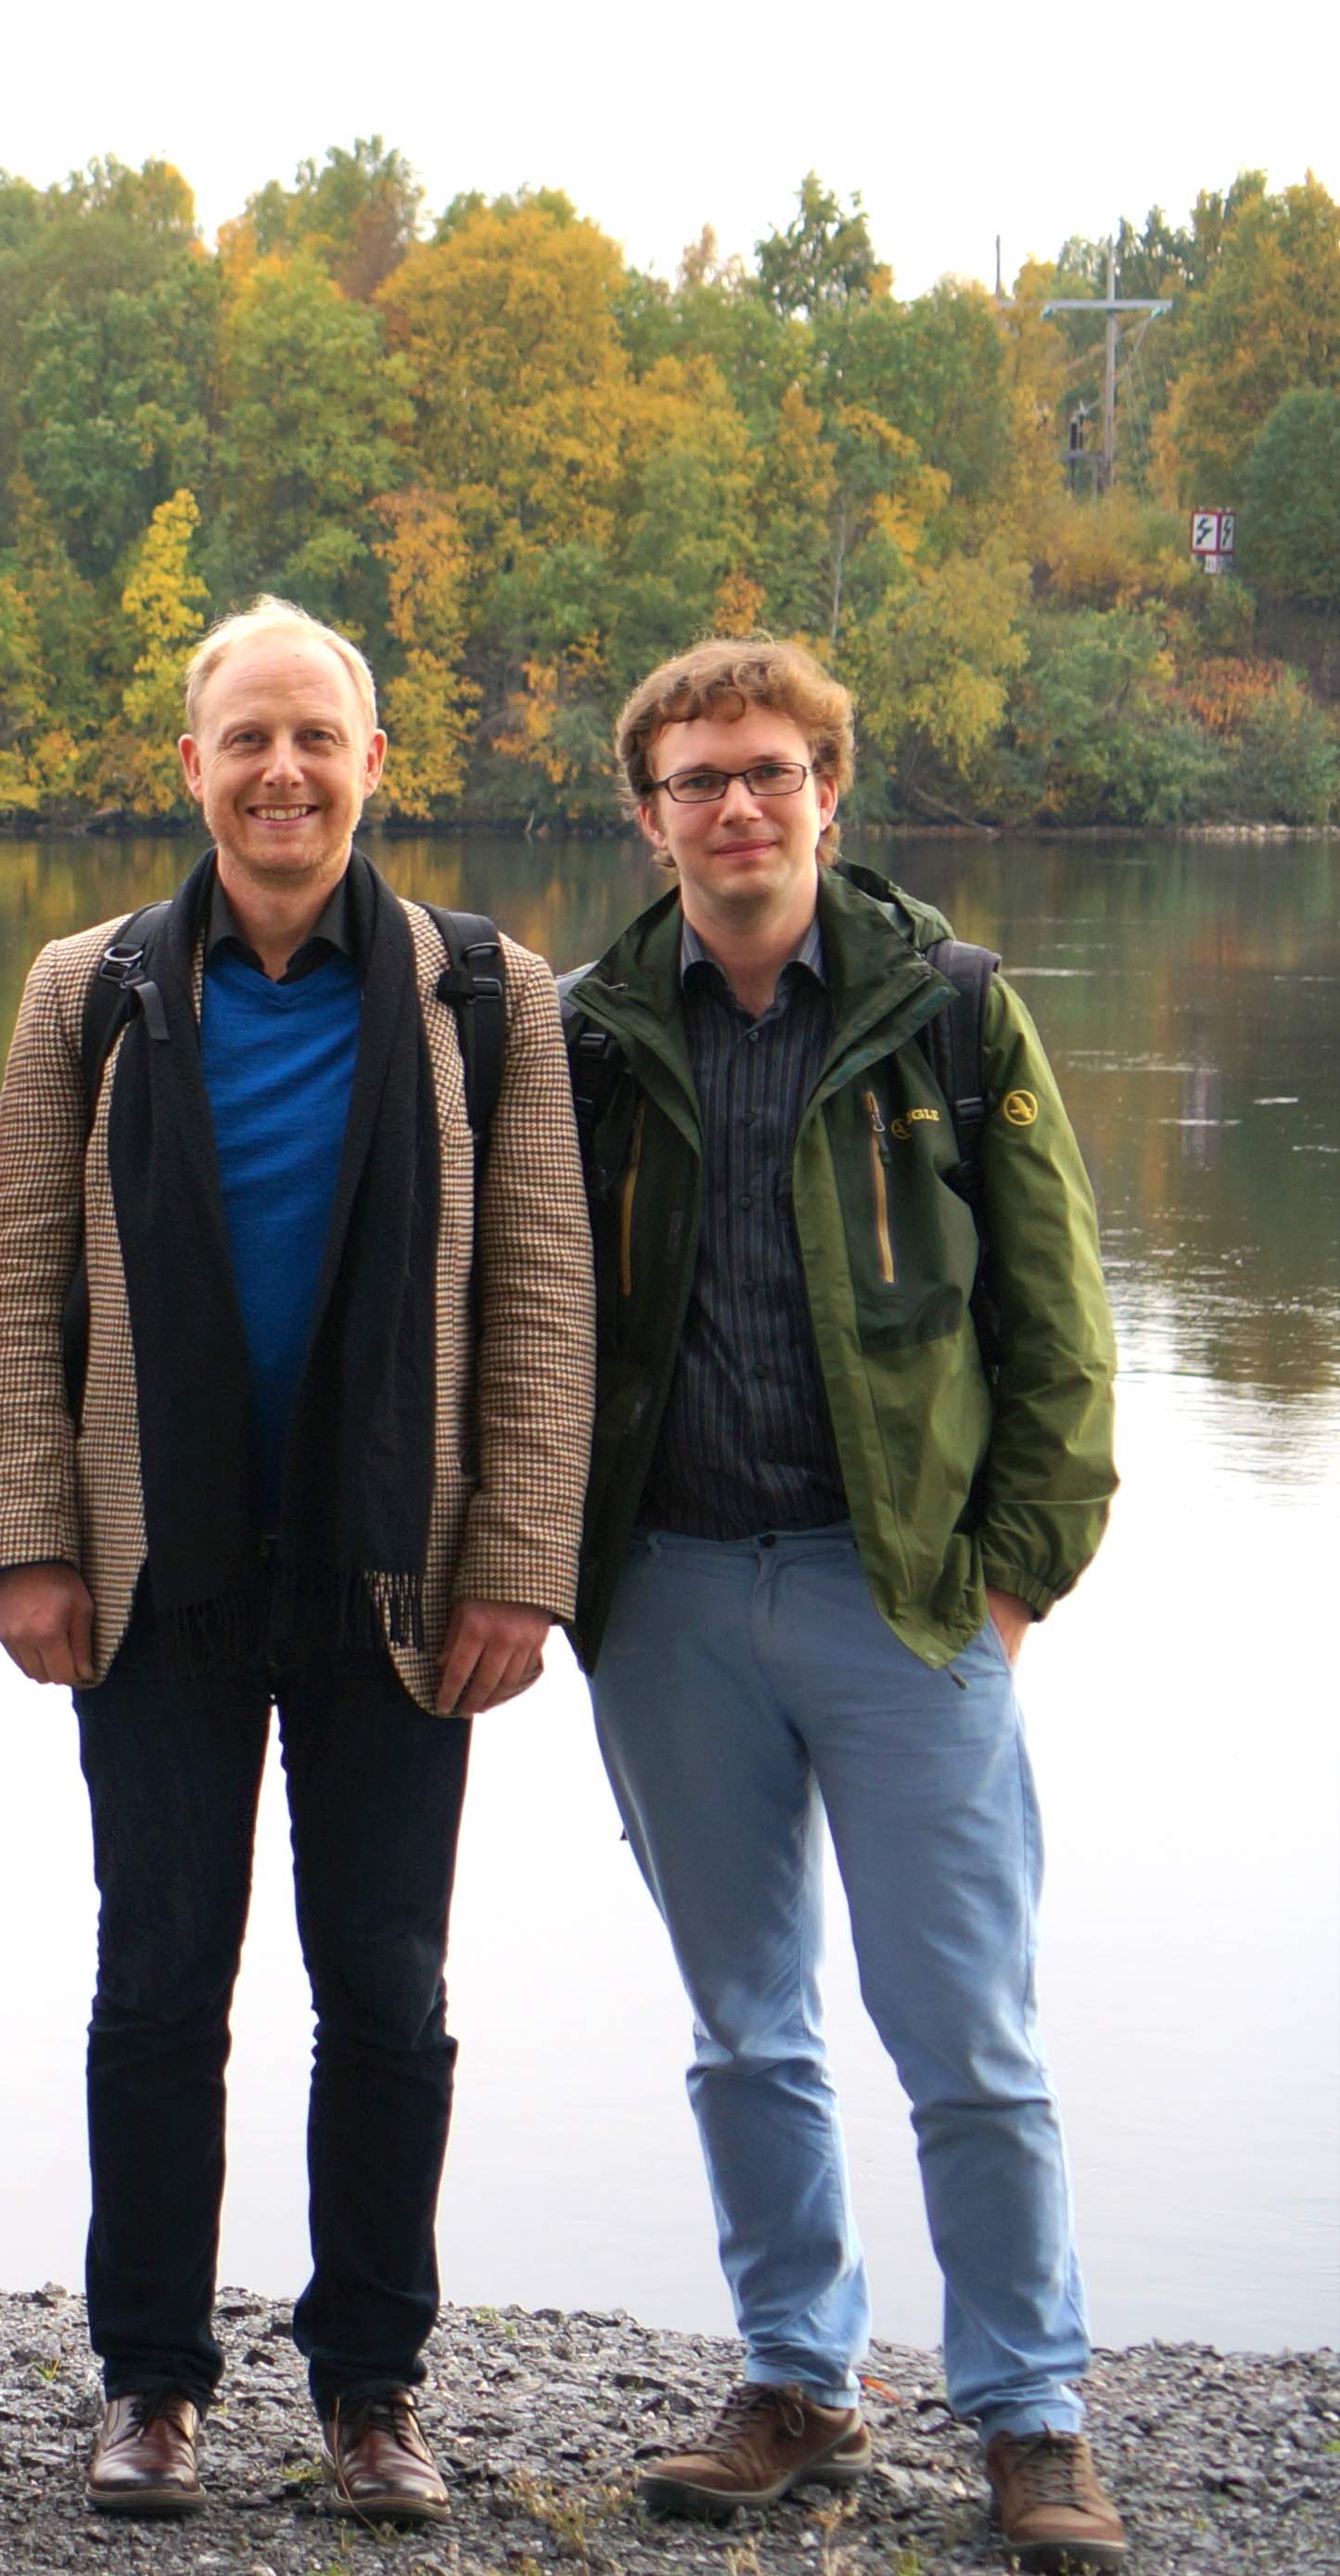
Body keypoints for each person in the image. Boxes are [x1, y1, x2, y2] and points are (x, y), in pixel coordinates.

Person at [0, 597, 591, 2531]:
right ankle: (151, 2383)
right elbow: (19, 1286)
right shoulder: (95, 989)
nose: (282, 771)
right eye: (246, 737)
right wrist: (31, 1546)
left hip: (392, 1573)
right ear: (190, 767)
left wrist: (519, 1566)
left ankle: (372, 2388)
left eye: (317, 736)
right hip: (158, 1567)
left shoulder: (486, 997)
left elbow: (545, 1298)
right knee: (155, 1983)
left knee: (387, 1992)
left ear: (373, 764)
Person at [563, 640, 1126, 2574]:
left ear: (829, 793)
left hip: (904, 1608)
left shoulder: (952, 1017)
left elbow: (1062, 1335)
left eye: (771, 772)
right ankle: (799, 2380)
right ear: (647, 815)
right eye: (698, 778)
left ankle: (1031, 2417)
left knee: (968, 2033)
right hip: (672, 1599)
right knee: (745, 2028)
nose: (737, 807)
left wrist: (1012, 1586)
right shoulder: (587, 1034)